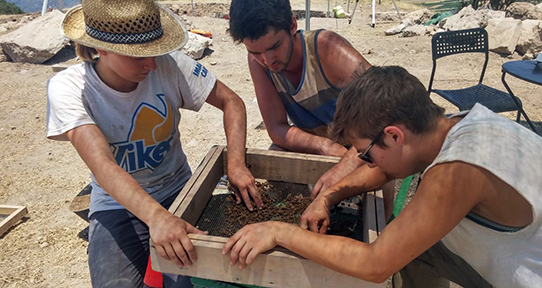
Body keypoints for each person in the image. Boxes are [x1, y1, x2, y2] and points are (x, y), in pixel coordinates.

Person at [222, 66, 542, 287]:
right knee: (414, 248)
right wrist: (328, 196)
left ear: (393, 136)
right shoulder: (453, 125)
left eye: (366, 152)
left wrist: (279, 232)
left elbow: (375, 265)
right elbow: (385, 170)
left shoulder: (456, 173)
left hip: (524, 276)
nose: (366, 162)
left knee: (395, 253)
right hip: (504, 252)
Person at [46, 0, 261, 287]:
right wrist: (157, 218)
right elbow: (102, 164)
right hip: (115, 204)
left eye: (155, 51)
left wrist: (235, 162)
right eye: (137, 57)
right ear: (102, 48)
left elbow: (231, 102)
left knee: (188, 282)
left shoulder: (169, 64)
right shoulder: (70, 88)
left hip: (178, 190)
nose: (151, 63)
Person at [228, 0, 398, 210]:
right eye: (255, 52)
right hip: (322, 145)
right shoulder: (259, 63)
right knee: (276, 160)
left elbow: (390, 111)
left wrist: (347, 162)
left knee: (382, 169)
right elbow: (277, 128)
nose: (268, 60)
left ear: (292, 25)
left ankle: (383, 231)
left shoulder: (328, 49)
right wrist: (325, 146)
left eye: (275, 46)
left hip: (361, 146)